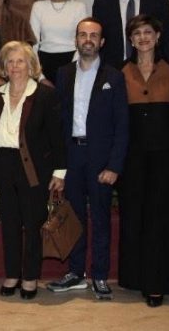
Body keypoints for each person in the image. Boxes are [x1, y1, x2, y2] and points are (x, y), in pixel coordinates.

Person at [48, 17, 129, 300]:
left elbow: (122, 125)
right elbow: (58, 122)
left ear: (102, 42)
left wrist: (114, 166)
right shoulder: (64, 74)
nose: (88, 40)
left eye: (94, 35)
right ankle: (75, 273)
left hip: (100, 159)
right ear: (76, 40)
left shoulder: (114, 77)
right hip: (72, 155)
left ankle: (100, 276)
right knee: (74, 217)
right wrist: (59, 167)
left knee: (101, 218)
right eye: (83, 35)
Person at [0, 41, 65, 300]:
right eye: (10, 61)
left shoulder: (44, 95)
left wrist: (59, 171)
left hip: (33, 167)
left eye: (20, 61)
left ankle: (30, 277)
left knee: (33, 224)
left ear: (31, 66)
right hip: (3, 165)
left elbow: (57, 135)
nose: (15, 66)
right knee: (9, 223)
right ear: (3, 67)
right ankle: (12, 274)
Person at [116, 14, 169, 308]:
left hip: (166, 155)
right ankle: (137, 279)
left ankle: (158, 283)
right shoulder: (121, 71)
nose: (143, 38)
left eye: (148, 32)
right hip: (133, 156)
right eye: (137, 33)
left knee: (160, 217)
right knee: (135, 215)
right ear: (130, 40)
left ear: (157, 36)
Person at [29, 0, 87, 83]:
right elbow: (33, 44)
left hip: (72, 61)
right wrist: (40, 76)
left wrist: (71, 70)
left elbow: (82, 41)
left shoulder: (79, 7)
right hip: (44, 63)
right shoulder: (38, 7)